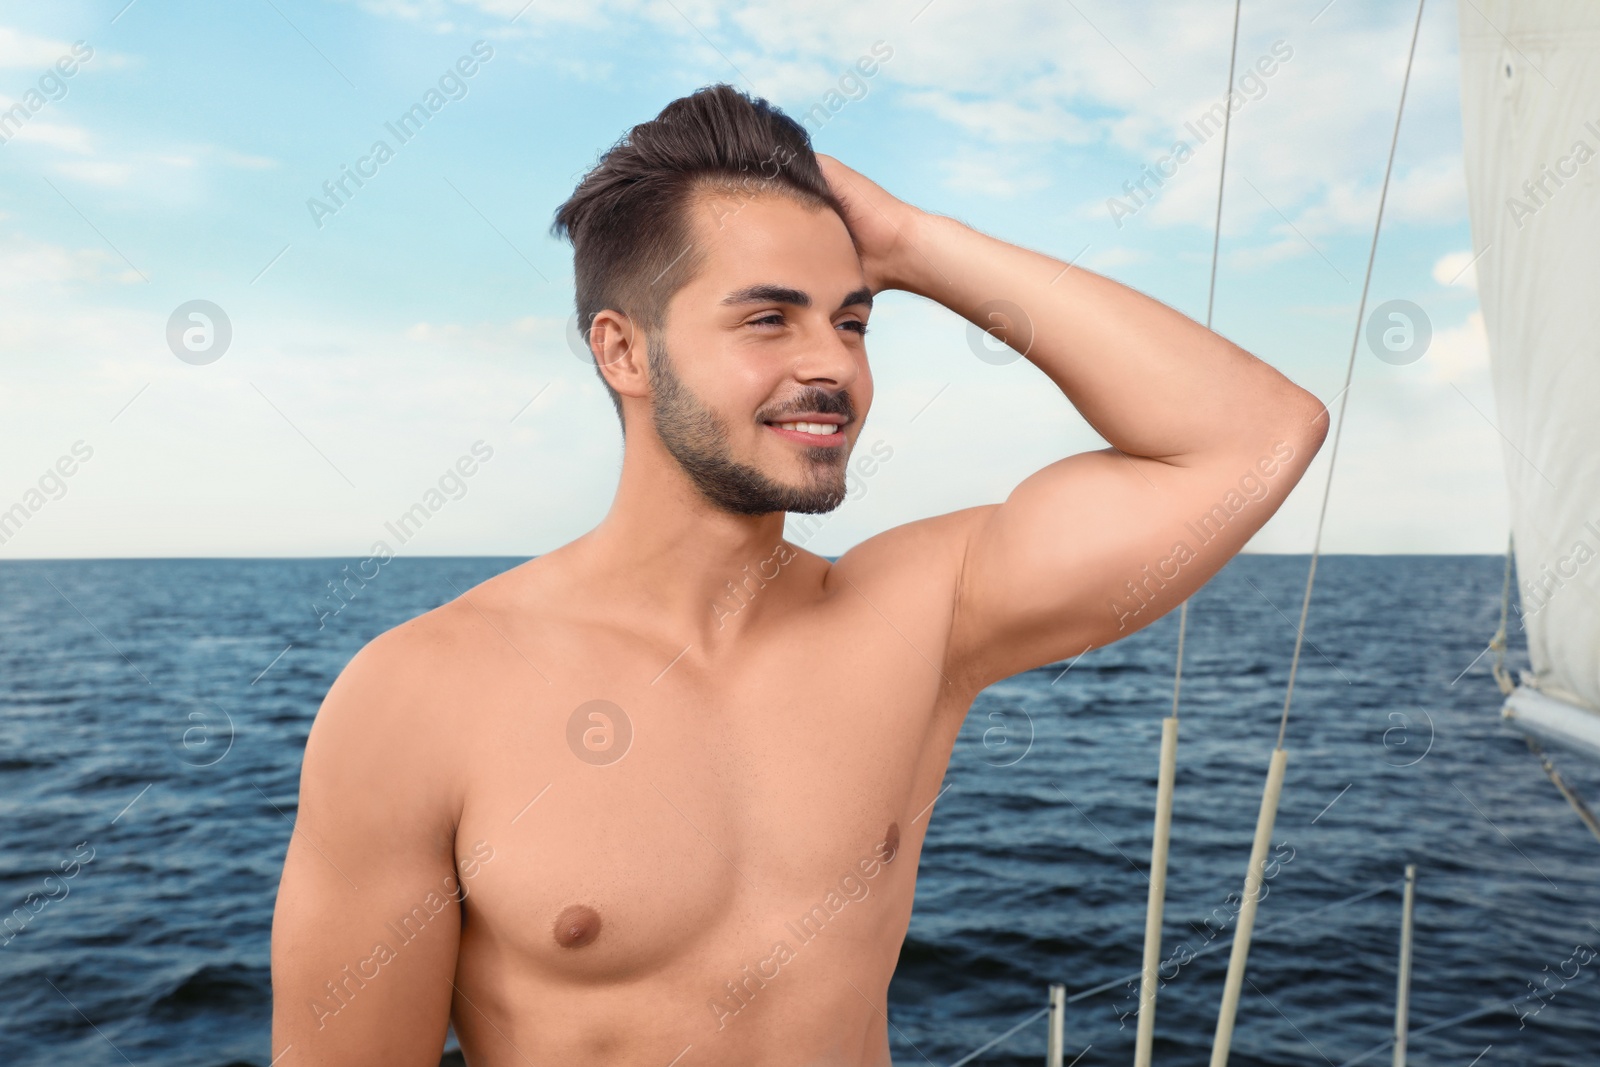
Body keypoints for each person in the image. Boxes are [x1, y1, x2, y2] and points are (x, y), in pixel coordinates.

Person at [270, 82, 1327, 1066]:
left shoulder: (918, 617)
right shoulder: (419, 696)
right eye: (768, 317)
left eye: (853, 320)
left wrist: (913, 242)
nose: (831, 363)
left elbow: (1253, 438)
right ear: (623, 352)